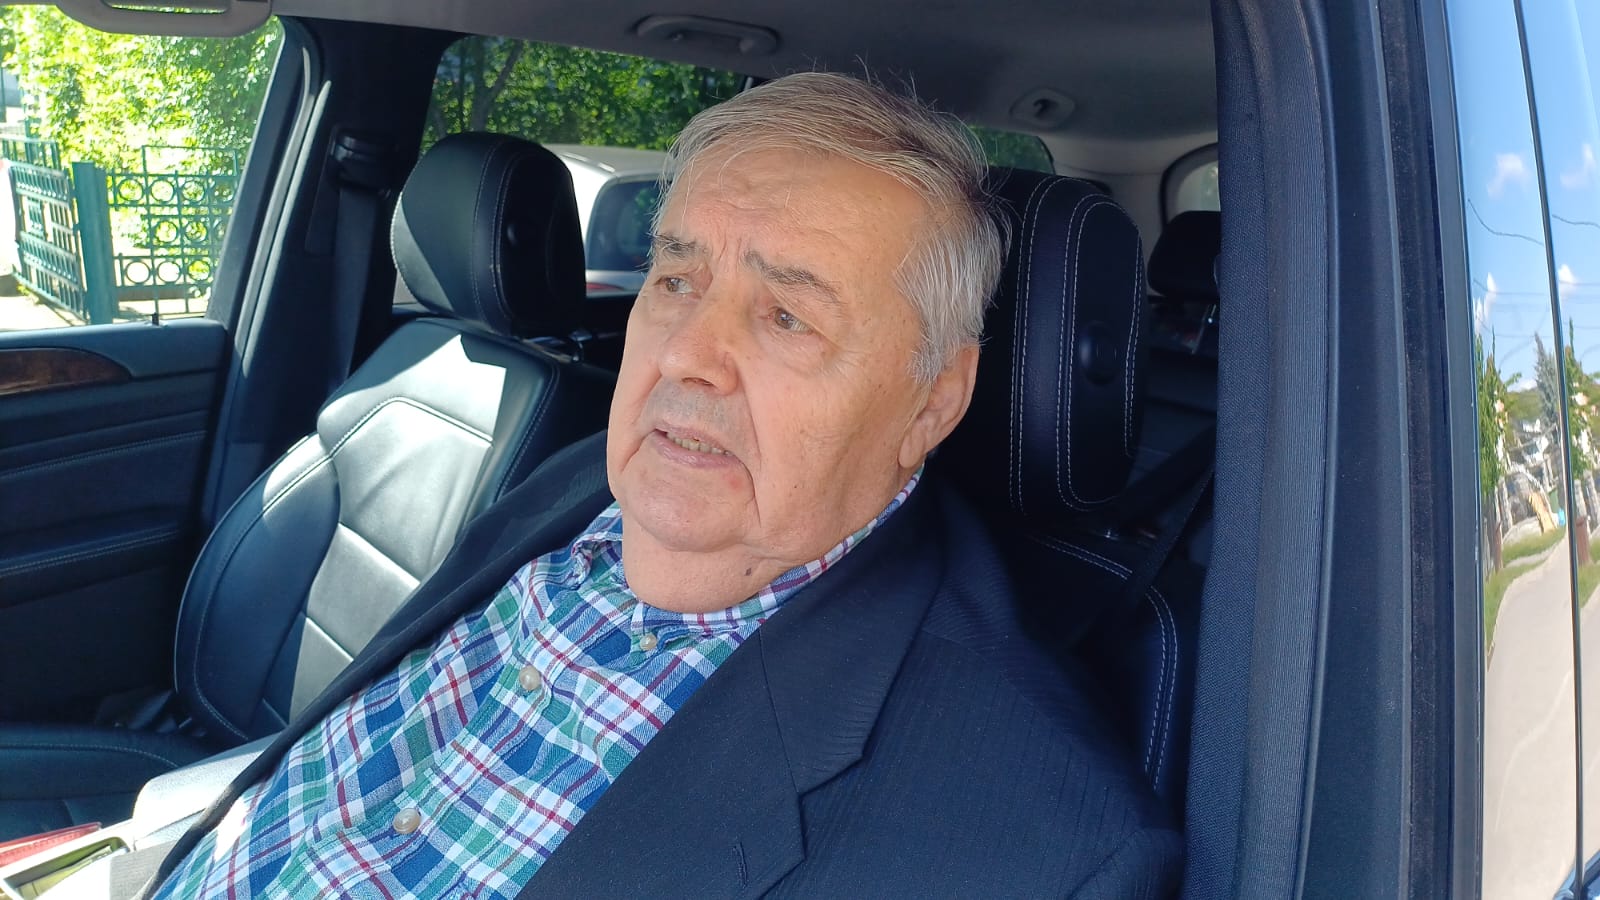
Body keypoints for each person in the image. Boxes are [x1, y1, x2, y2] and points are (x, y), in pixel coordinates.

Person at [130, 72, 1178, 898]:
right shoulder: (575, 485)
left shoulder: (1033, 847)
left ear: (933, 404)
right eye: (675, 279)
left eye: (786, 317)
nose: (685, 354)